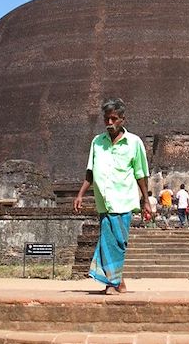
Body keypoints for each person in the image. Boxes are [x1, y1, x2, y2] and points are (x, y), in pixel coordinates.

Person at [73, 98, 151, 294]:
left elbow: (141, 173)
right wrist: (80, 194)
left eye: (114, 119)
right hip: (104, 202)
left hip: (124, 199)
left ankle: (113, 283)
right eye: (106, 119)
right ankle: (117, 283)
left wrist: (146, 201)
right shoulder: (97, 142)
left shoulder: (134, 143)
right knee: (109, 241)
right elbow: (90, 171)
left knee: (117, 242)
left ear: (122, 119)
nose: (109, 123)